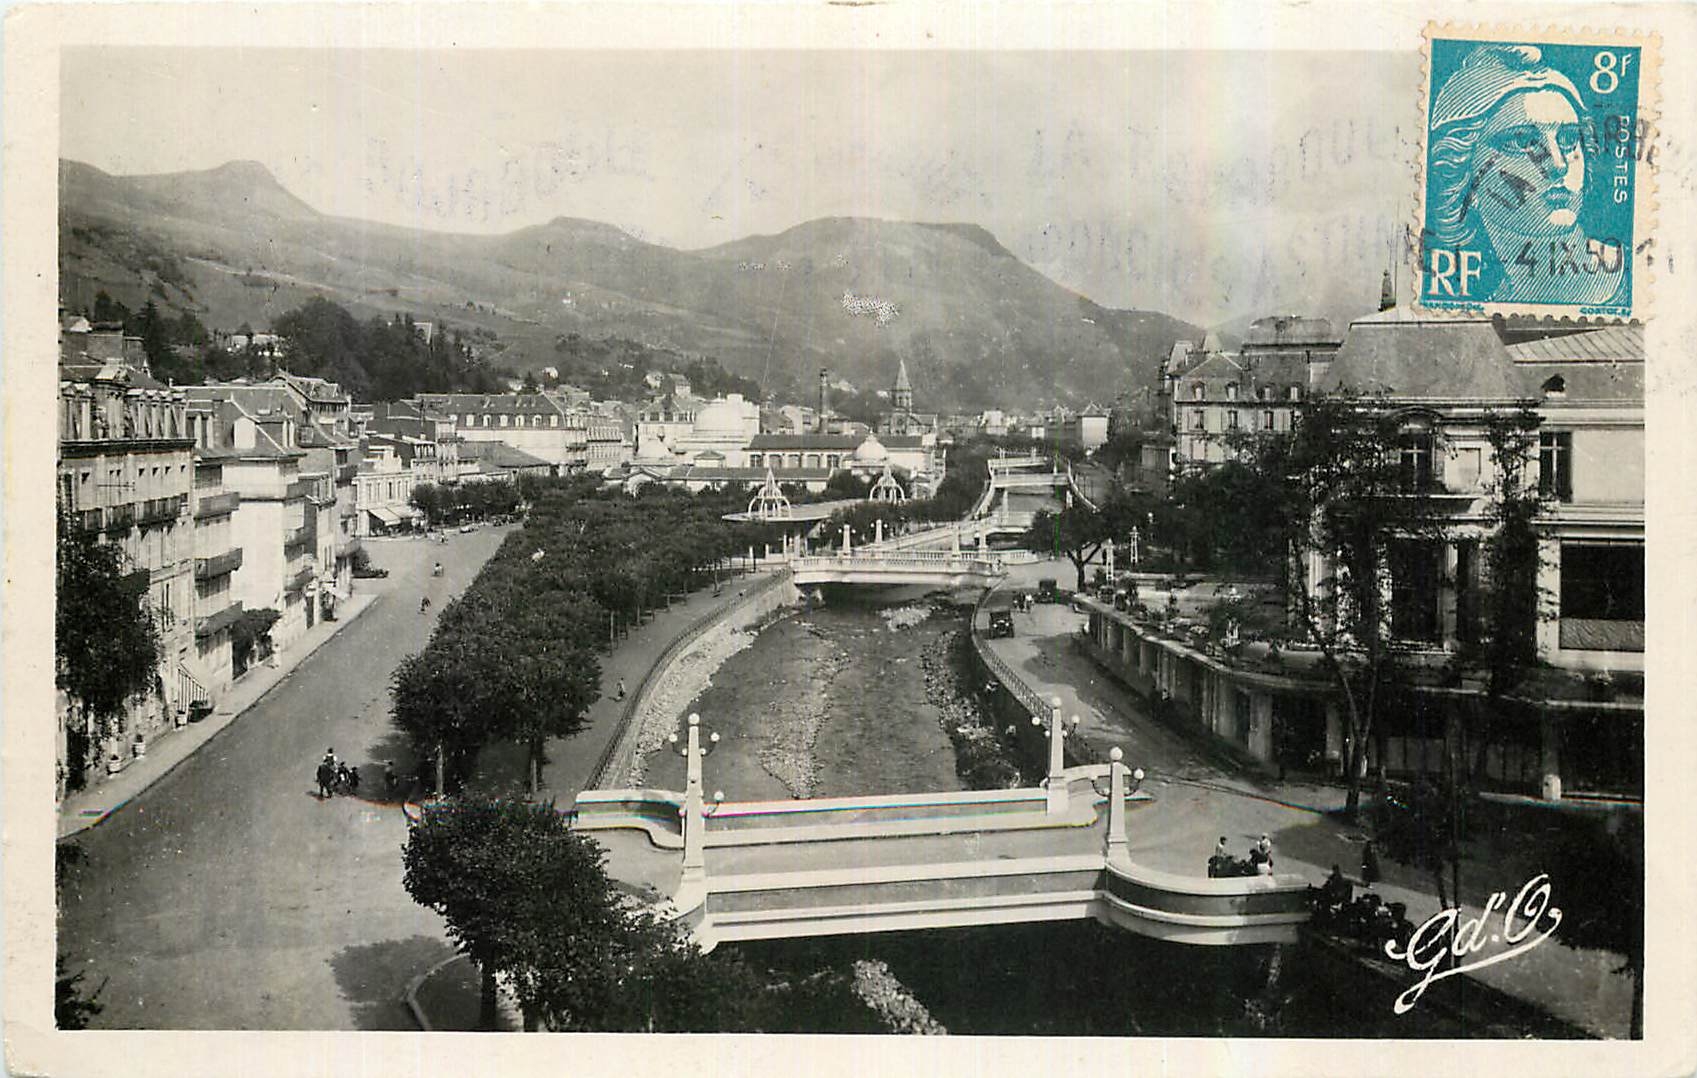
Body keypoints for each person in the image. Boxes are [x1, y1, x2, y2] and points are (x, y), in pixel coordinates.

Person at [1425, 43, 1626, 306]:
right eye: (1522, 142)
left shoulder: (1626, 278)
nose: (1558, 165)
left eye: (1568, 139)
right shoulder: (1492, 298)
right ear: (1464, 175)